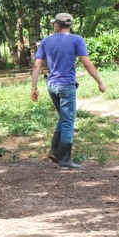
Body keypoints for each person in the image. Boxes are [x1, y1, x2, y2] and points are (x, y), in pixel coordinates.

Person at [31, 12, 106, 169]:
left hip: (51, 85)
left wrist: (34, 87)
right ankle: (65, 158)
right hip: (67, 86)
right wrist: (99, 81)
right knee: (68, 120)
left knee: (63, 117)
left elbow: (37, 65)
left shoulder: (46, 41)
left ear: (57, 25)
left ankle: (54, 150)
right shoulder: (77, 40)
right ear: (69, 25)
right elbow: (86, 63)